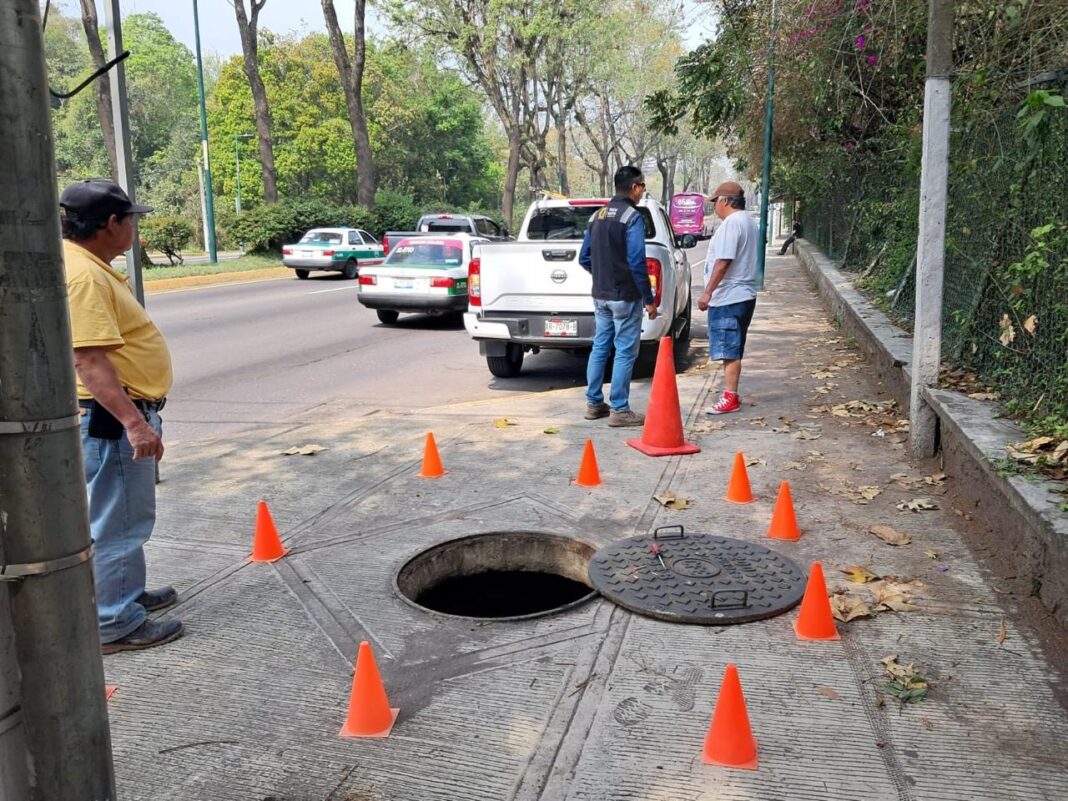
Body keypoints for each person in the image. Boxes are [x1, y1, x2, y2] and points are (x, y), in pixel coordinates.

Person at [60, 179, 184, 654]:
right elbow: (89, 360)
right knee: (119, 521)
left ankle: (122, 594)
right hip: (112, 419)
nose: (134, 226)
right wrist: (135, 422)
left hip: (119, 412)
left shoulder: (87, 264)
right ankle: (114, 622)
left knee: (125, 515)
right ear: (111, 224)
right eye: (131, 218)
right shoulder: (85, 276)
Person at [579, 165, 658, 427]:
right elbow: (637, 262)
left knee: (600, 347)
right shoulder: (632, 217)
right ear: (635, 187)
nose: (641, 192)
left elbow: (584, 258)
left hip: (600, 295)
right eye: (642, 187)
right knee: (625, 351)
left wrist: (602, 275)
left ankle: (593, 403)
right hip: (625, 295)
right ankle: (620, 409)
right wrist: (648, 299)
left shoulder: (597, 217)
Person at [697, 181, 759, 415]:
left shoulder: (732, 224)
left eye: (716, 202)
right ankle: (731, 393)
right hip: (743, 295)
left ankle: (729, 396)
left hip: (729, 297)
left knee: (728, 350)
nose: (715, 207)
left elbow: (723, 262)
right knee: (734, 347)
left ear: (725, 201)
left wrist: (707, 292)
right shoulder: (748, 221)